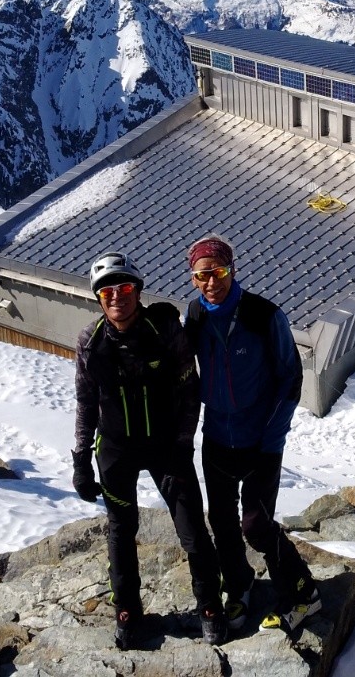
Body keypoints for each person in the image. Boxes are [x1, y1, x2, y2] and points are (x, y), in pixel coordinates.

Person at [71, 251, 227, 648]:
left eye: (124, 288)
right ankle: (126, 611)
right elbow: (86, 401)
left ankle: (210, 606)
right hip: (115, 451)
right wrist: (81, 459)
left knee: (192, 530)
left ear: (138, 291)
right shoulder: (90, 341)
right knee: (121, 532)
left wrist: (183, 442)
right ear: (98, 298)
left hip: (166, 447)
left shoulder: (164, 329)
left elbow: (190, 387)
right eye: (107, 291)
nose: (116, 297)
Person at [185, 235, 322, 633]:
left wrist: (272, 438)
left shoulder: (263, 315)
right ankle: (239, 585)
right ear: (193, 279)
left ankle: (303, 593)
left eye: (219, 271)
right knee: (223, 522)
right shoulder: (196, 315)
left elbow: (291, 379)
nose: (211, 282)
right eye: (202, 275)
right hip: (217, 438)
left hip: (261, 441)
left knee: (257, 527)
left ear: (232, 269)